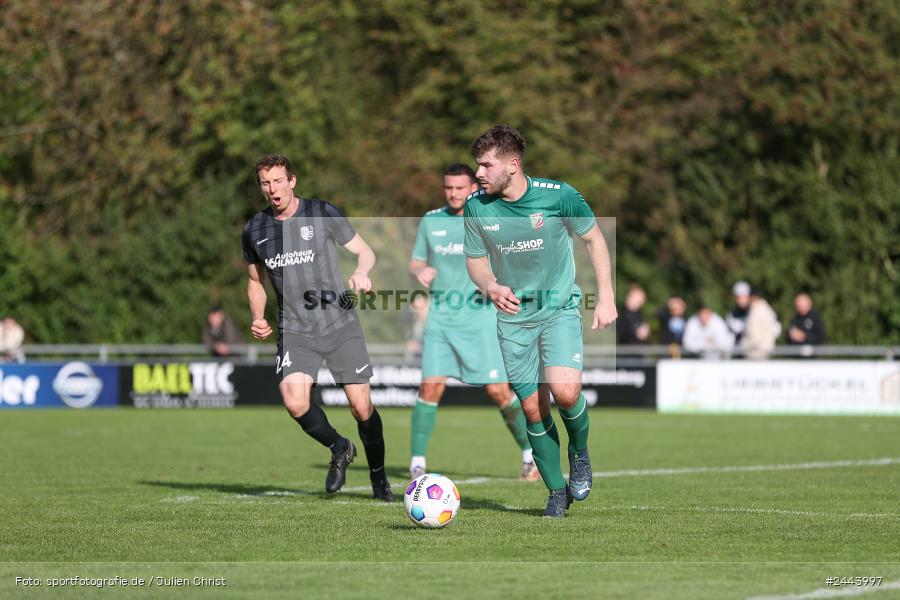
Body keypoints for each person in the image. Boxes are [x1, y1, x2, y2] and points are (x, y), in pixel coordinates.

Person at [463, 125, 617, 518]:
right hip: (514, 320)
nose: (478, 173)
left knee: (565, 393)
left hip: (559, 309)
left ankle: (579, 452)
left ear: (512, 165)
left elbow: (595, 239)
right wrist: (491, 287)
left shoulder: (559, 196)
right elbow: (475, 261)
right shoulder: (476, 206)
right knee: (533, 409)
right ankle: (555, 492)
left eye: (485, 165)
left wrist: (606, 296)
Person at [242, 154, 393, 501]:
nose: (273, 189)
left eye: (279, 181)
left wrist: (362, 272)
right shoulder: (255, 229)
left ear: (292, 181)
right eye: (266, 183)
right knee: (295, 404)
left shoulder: (322, 212)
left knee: (361, 407)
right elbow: (254, 281)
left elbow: (365, 252)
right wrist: (257, 315)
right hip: (295, 330)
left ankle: (378, 476)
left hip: (339, 323)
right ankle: (340, 447)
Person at [409, 163, 539, 483]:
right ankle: (417, 463)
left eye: (459, 188)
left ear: (472, 188)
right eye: (448, 188)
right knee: (429, 388)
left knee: (498, 391)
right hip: (440, 319)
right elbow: (416, 259)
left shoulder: (490, 216)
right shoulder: (431, 221)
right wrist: (419, 270)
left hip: (479, 319)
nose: (453, 194)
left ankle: (528, 455)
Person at [741, 288, 780, 360]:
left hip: (755, 353)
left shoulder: (756, 312)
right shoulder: (767, 310)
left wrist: (743, 346)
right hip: (765, 351)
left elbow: (754, 336)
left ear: (752, 297)